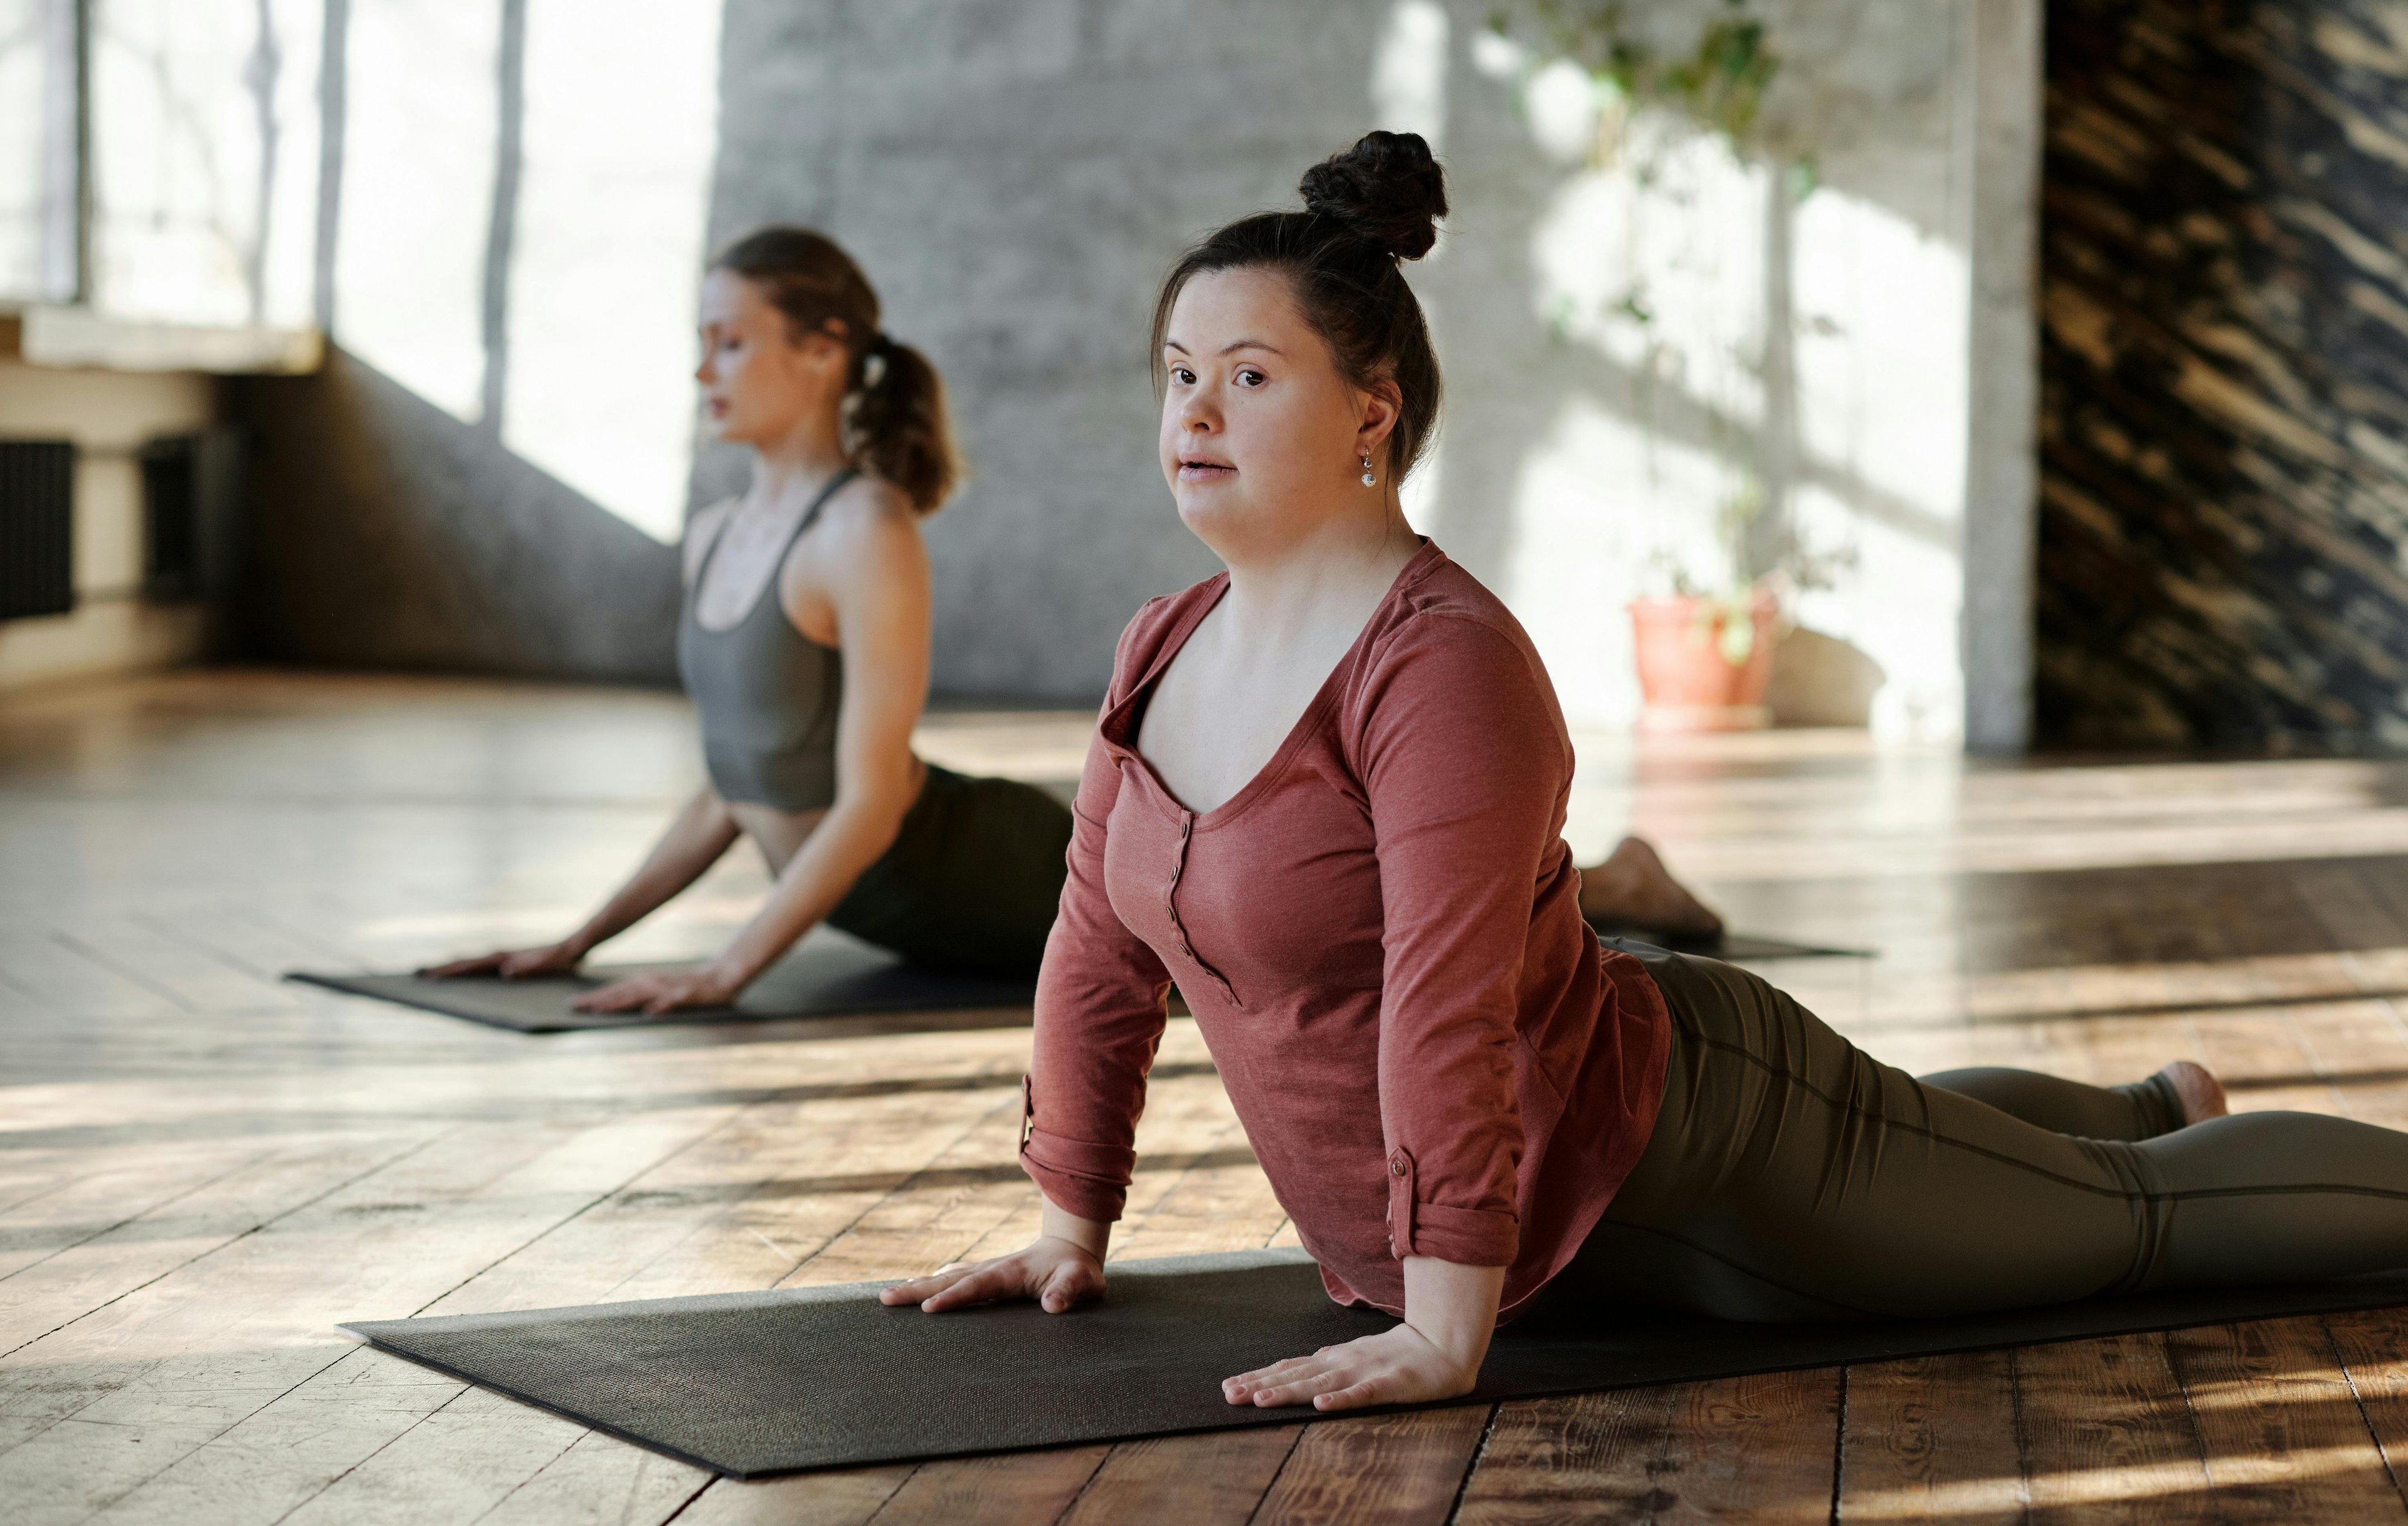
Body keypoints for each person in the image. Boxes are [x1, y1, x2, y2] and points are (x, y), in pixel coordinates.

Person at [877, 131, 2408, 1413]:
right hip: (1520, 1219)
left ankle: (2156, 1141)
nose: (1193, 412)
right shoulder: (1161, 641)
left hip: (1690, 1162)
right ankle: (2146, 1098)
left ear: (1369, 414)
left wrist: (1443, 1324)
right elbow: (1093, 945)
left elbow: (1445, 998)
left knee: (2137, 1231)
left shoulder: (1439, 663)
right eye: (1177, 372)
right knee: (1978, 1153)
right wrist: (1068, 1221)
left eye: (1250, 376)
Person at [426, 229, 1075, 1012]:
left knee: (1226, 955)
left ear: (823, 351)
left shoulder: (863, 530)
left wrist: (726, 970)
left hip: (1016, 876)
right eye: (702, 345)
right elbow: (730, 790)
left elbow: (871, 806)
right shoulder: (715, 535)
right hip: (911, 913)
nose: (704, 371)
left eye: (730, 343)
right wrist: (579, 942)